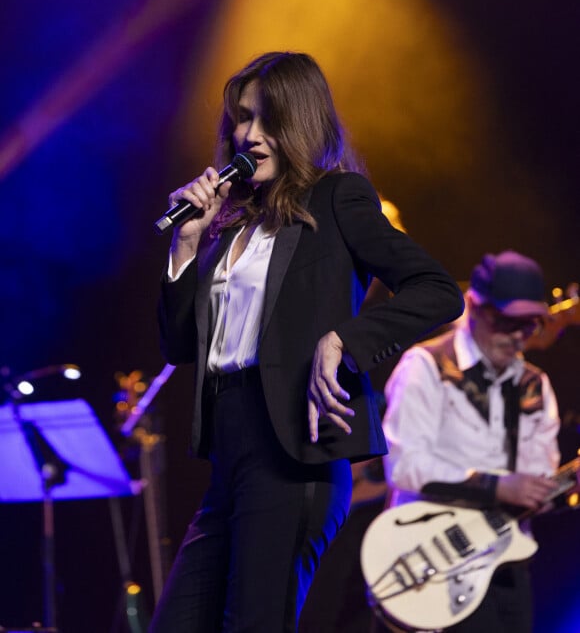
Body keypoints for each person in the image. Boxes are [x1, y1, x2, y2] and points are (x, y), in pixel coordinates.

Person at [150, 50, 463, 633]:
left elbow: (438, 290)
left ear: (303, 122)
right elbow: (178, 346)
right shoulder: (231, 225)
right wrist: (186, 248)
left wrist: (344, 339)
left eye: (268, 118)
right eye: (242, 118)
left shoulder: (338, 198)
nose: (250, 133)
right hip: (231, 452)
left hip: (296, 449)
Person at [381, 250, 564, 633]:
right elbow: (403, 466)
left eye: (529, 325)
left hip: (507, 568)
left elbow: (539, 478)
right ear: (474, 306)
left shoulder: (535, 386)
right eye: (507, 321)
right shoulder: (425, 366)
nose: (517, 336)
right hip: (427, 565)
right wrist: (497, 486)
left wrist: (552, 491)